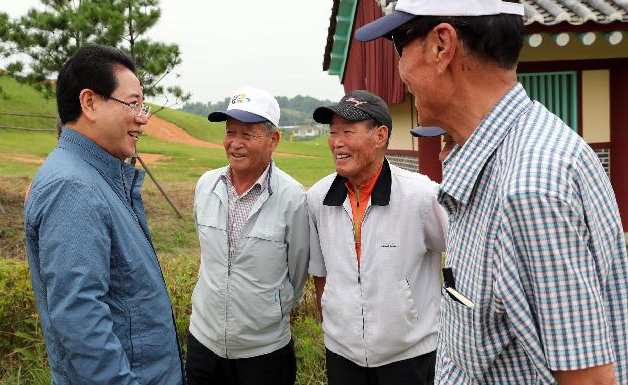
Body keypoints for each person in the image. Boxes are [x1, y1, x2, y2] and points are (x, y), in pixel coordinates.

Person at [356, 1, 628, 384]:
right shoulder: (514, 155)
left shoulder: (529, 190)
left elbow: (590, 380)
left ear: (441, 46)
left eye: (400, 43)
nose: (399, 70)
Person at [23, 45, 184, 384]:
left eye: (143, 105)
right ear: (90, 102)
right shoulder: (73, 186)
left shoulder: (98, 176)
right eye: (133, 103)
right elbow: (81, 320)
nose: (142, 117)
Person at [307, 90, 447, 385]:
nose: (337, 142)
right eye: (333, 133)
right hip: (342, 355)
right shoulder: (317, 197)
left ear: (380, 135)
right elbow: (320, 272)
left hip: (410, 356)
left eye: (348, 131)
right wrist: (334, 325)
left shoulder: (420, 195)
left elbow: (463, 252)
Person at [186, 87, 310, 385]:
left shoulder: (292, 197)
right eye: (230, 132)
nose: (235, 144)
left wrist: (270, 308)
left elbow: (297, 271)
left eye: (248, 134)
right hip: (204, 341)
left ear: (273, 140)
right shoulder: (206, 185)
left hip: (264, 351)